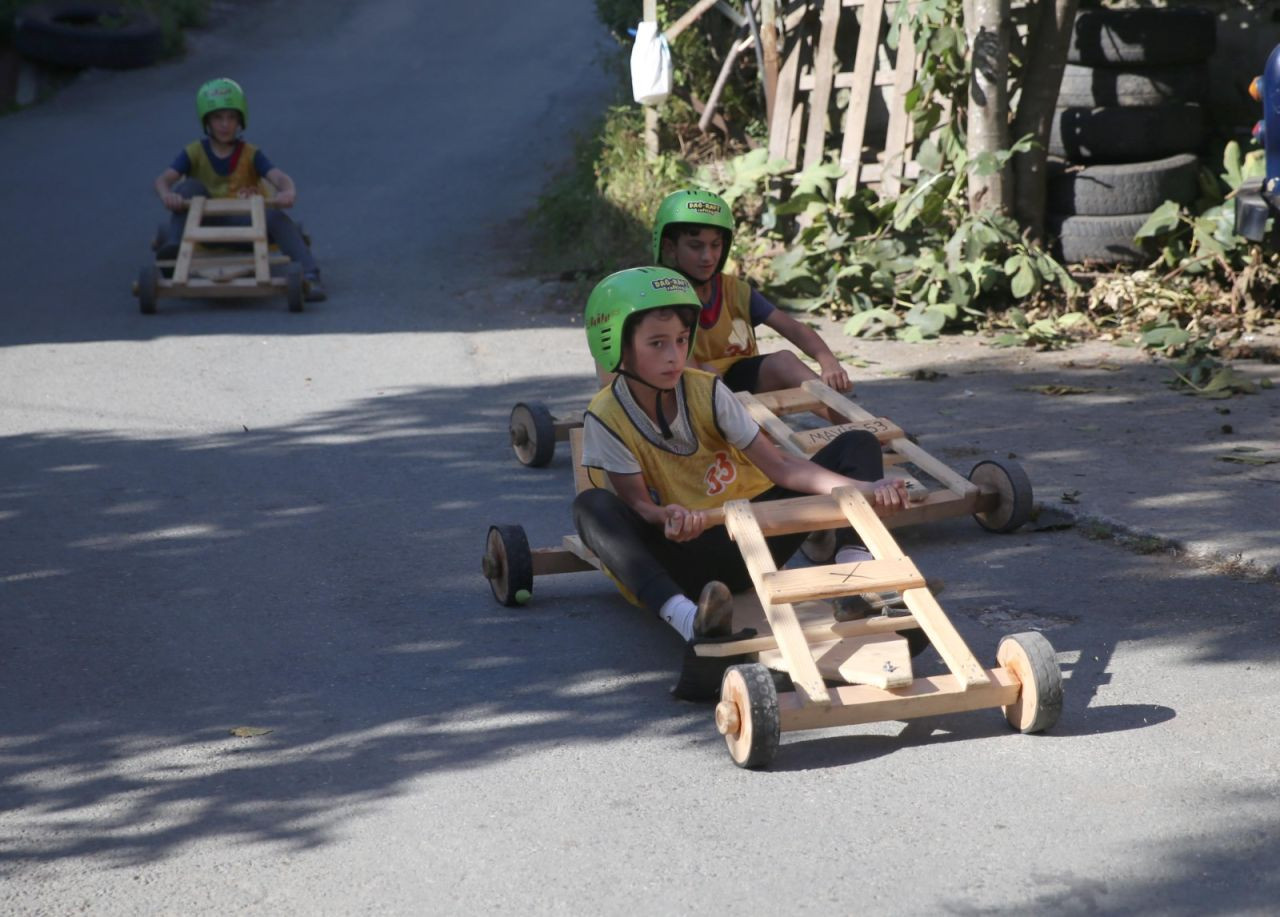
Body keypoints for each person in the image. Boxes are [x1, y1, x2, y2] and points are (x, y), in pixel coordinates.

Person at [571, 267, 907, 695]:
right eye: (657, 344)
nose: (674, 356)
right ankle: (689, 619)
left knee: (857, 442)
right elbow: (638, 506)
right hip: (681, 557)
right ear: (615, 346)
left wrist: (866, 491)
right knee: (591, 507)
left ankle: (855, 578)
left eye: (680, 340)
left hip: (748, 536)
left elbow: (782, 469)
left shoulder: (708, 391)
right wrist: (667, 516)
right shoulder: (606, 415)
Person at [653, 188, 847, 396]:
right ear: (669, 247)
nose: (707, 256)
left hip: (738, 378)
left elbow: (793, 328)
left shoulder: (736, 290)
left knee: (785, 360)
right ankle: (743, 427)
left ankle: (854, 425)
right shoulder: (663, 296)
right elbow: (683, 364)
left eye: (715, 245)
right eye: (695, 246)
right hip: (688, 390)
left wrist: (828, 361)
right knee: (707, 374)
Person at [153, 78, 325, 301]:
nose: (225, 125)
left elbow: (279, 177)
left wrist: (287, 191)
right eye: (217, 118)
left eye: (231, 118)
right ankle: (175, 248)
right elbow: (162, 181)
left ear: (240, 120)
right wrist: (169, 196)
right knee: (189, 187)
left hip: (249, 227)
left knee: (276, 217)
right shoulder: (194, 152)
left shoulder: (251, 153)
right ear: (207, 121)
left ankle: (311, 275)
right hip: (205, 228)